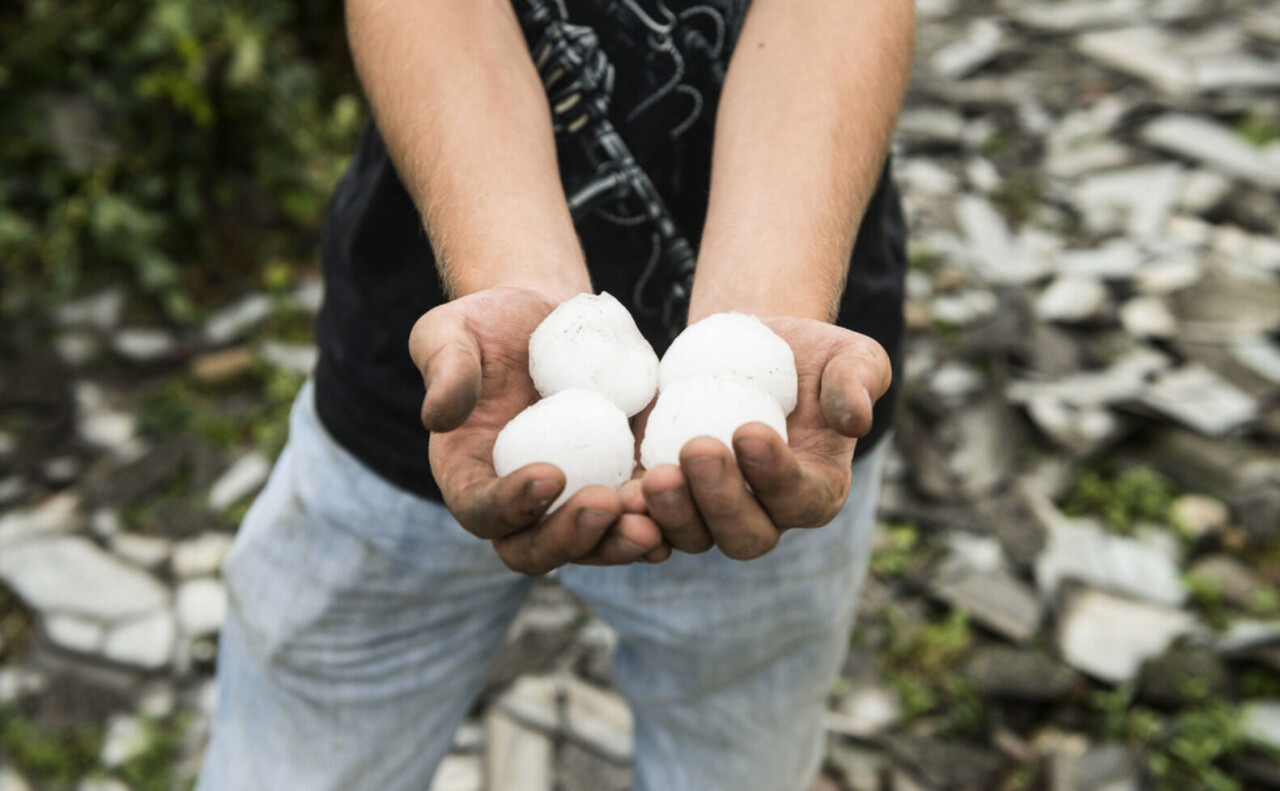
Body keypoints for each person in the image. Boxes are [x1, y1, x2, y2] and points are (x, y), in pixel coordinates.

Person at [196, 0, 913, 789]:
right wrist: (517, 284)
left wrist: (762, 328)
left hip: (768, 441)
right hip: (437, 387)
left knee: (738, 753)